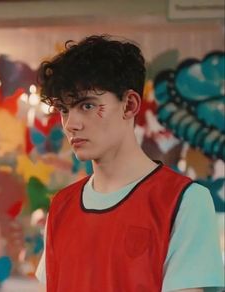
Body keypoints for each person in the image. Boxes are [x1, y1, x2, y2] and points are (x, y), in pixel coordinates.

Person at [35, 35, 224, 292]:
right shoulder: (61, 207)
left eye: (87, 105)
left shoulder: (184, 201)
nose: (71, 124)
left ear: (130, 105)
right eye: (64, 109)